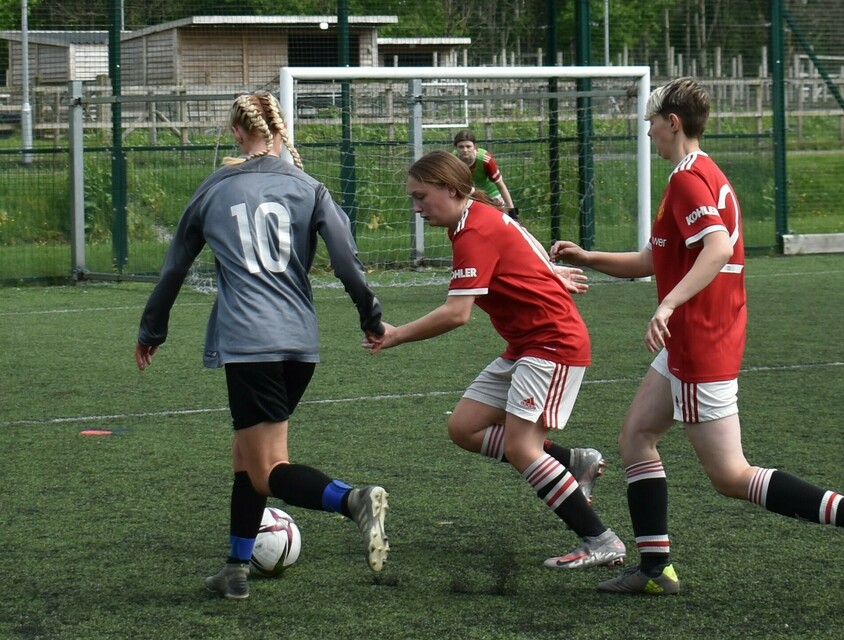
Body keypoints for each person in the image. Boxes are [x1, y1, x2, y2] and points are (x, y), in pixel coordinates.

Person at [550, 77, 844, 595]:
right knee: (636, 436)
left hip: (698, 342)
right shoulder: (698, 175)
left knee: (730, 475)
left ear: (672, 123)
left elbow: (715, 249)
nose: (647, 133)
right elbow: (653, 259)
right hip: (694, 338)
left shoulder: (689, 181)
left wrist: (668, 303)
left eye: (650, 123)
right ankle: (654, 568)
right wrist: (588, 258)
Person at [135, 91, 390, 600]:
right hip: (300, 346)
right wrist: (371, 316)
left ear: (235, 131)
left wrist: (151, 330)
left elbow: (173, 270)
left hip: (249, 345)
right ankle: (234, 569)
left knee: (268, 467)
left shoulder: (213, 190)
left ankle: (353, 500)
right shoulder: (310, 187)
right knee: (246, 459)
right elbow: (346, 262)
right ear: (279, 128)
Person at [364, 149, 625, 570]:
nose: (416, 208)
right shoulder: (476, 216)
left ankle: (600, 539)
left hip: (552, 344)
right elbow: (521, 237)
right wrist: (546, 270)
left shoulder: (473, 231)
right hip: (525, 346)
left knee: (522, 448)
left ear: (450, 189)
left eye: (421, 196)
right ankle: (573, 462)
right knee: (464, 427)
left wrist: (395, 335)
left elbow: (457, 313)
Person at [453, 128, 518, 221]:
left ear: (475, 147)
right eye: (461, 147)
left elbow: (501, 185)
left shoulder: (485, 159)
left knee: (498, 222)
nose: (465, 150)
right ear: (456, 148)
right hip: (470, 195)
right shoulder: (454, 160)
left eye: (468, 146)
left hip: (491, 195)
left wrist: (512, 211)